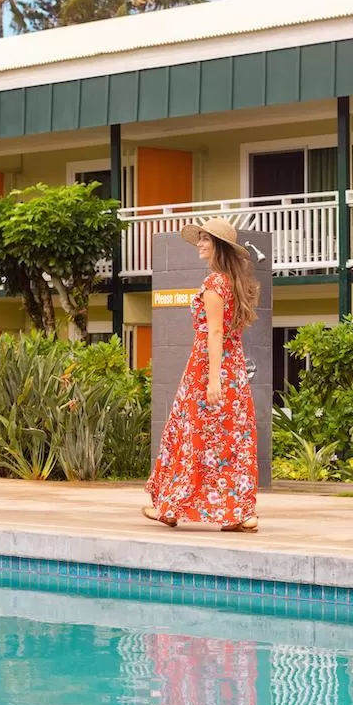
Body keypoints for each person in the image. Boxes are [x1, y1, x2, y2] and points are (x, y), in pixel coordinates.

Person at [144, 217, 261, 533]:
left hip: (209, 368)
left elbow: (215, 331)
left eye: (204, 239)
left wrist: (212, 379)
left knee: (192, 435)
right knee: (230, 439)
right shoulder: (234, 283)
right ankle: (238, 512)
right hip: (232, 368)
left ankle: (171, 506)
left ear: (218, 246)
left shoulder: (214, 284)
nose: (199, 243)